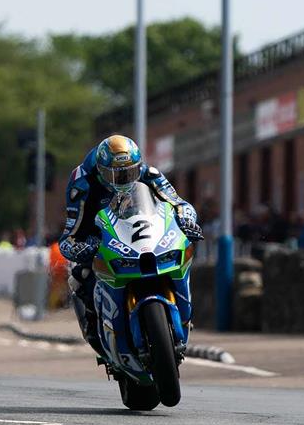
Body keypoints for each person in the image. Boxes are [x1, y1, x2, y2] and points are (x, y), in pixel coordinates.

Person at [58, 135, 203, 356]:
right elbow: (70, 233)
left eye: (130, 173)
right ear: (101, 170)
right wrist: (80, 247)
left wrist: (186, 220)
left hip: (143, 234)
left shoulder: (148, 173)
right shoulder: (81, 184)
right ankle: (95, 332)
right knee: (80, 276)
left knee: (182, 254)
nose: (125, 180)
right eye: (116, 175)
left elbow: (180, 204)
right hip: (98, 234)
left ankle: (184, 317)